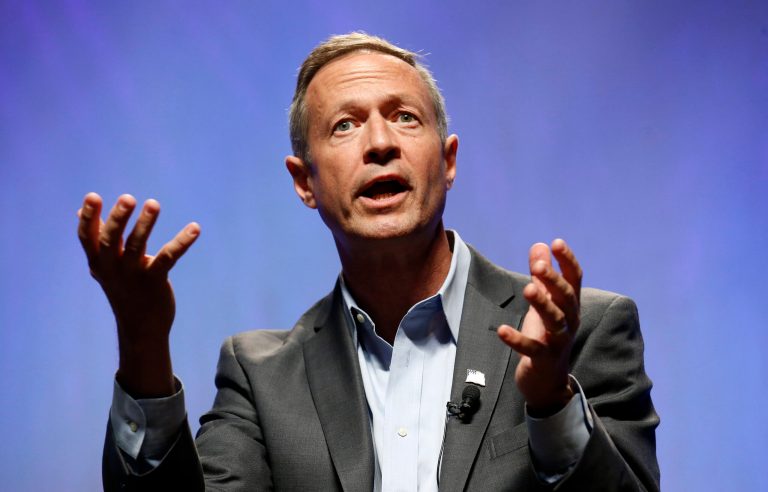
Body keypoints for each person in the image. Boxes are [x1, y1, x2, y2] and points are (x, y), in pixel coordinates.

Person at [78, 33, 659, 491]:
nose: (380, 142)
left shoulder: (578, 332)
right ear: (304, 182)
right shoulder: (261, 376)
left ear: (448, 161)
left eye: (405, 116)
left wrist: (553, 402)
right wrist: (142, 343)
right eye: (345, 125)